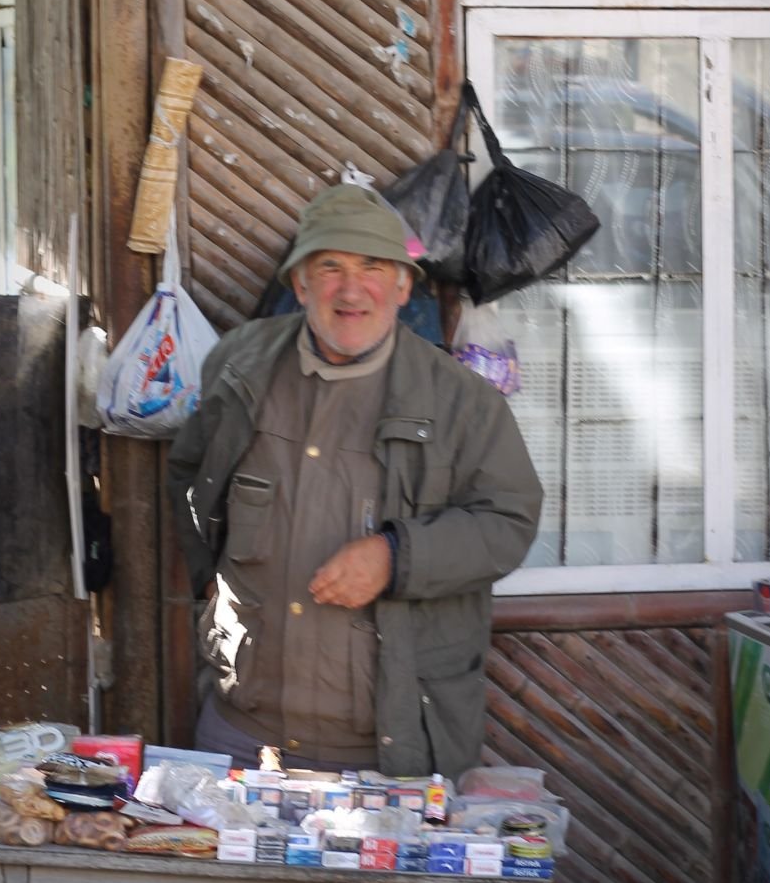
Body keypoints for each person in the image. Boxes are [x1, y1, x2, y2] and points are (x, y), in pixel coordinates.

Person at [168, 182, 543, 781]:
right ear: (300, 284)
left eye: (372, 267)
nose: (350, 289)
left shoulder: (463, 402)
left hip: (389, 752)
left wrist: (397, 557)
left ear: (402, 287)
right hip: (240, 733)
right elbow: (191, 483)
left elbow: (509, 522)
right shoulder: (239, 366)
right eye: (330, 267)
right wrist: (213, 594)